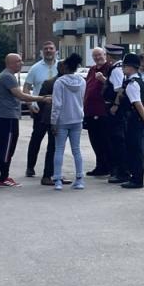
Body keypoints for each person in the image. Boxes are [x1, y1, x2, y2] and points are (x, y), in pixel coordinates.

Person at [0, 53, 49, 187]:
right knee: (7, 147)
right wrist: (41, 98)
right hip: (7, 117)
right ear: (10, 63)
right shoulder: (8, 77)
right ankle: (3, 177)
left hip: (2, 116)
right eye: (18, 61)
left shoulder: (6, 76)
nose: (21, 64)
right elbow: (20, 95)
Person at [111, 53, 144, 189]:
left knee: (135, 150)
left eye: (125, 66)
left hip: (133, 119)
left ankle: (137, 179)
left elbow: (138, 103)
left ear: (131, 67)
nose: (123, 68)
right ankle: (135, 176)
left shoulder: (132, 84)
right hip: (136, 119)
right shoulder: (136, 81)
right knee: (134, 149)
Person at [23, 40, 59, 178]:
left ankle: (51, 169)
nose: (48, 51)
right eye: (46, 49)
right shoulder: (35, 68)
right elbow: (26, 87)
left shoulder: (61, 67)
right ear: (42, 52)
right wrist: (29, 104)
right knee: (36, 138)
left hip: (56, 108)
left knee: (54, 141)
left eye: (51, 48)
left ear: (55, 51)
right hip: (40, 109)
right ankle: (30, 167)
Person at [51, 54, 86, 191]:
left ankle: (58, 180)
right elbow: (82, 99)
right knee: (76, 150)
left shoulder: (59, 82)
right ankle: (79, 179)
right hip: (77, 118)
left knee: (59, 149)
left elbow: (57, 104)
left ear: (65, 66)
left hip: (62, 120)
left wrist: (53, 121)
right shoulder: (82, 81)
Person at [98, 44, 128, 183]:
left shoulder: (116, 70)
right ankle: (119, 170)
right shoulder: (119, 68)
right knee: (116, 140)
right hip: (115, 109)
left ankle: (120, 171)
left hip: (114, 110)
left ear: (109, 56)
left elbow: (120, 89)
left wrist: (115, 105)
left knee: (116, 141)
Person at [83, 47, 113, 176]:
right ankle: (100, 165)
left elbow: (114, 88)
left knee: (105, 140)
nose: (97, 58)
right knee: (95, 140)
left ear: (105, 55)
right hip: (90, 110)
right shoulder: (92, 69)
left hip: (103, 111)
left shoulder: (110, 69)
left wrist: (103, 80)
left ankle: (109, 166)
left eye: (99, 55)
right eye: (95, 56)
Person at [35, 62, 66, 186]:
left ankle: (56, 174)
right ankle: (47, 175)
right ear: (62, 68)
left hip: (64, 119)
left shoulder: (67, 81)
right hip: (53, 119)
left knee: (59, 148)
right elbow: (42, 101)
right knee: (53, 147)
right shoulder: (51, 82)